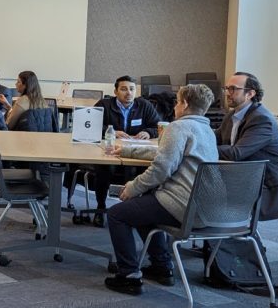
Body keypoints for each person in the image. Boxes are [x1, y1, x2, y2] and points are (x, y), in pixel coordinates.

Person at [104, 84, 219, 296]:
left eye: (177, 101)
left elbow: (162, 168)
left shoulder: (178, 128)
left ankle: (129, 275)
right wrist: (129, 150)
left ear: (184, 104)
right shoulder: (207, 130)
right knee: (144, 207)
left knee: (118, 214)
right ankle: (161, 266)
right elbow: (167, 155)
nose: (175, 106)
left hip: (183, 204)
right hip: (206, 206)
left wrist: (132, 187)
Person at [85, 75, 163, 226]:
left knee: (143, 170)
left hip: (135, 151)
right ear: (115, 91)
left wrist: (148, 132)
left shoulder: (144, 105)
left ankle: (134, 209)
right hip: (109, 151)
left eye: (132, 89)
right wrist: (110, 131)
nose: (128, 93)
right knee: (104, 168)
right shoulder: (104, 104)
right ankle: (101, 208)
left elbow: (156, 126)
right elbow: (89, 126)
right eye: (124, 89)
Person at [216, 72, 278, 221]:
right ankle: (216, 238)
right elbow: (215, 139)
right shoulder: (232, 115)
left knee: (201, 188)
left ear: (250, 93)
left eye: (233, 89)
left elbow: (236, 153)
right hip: (242, 174)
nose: (227, 93)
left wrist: (201, 148)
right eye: (227, 88)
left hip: (264, 185)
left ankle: (228, 238)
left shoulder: (262, 120)